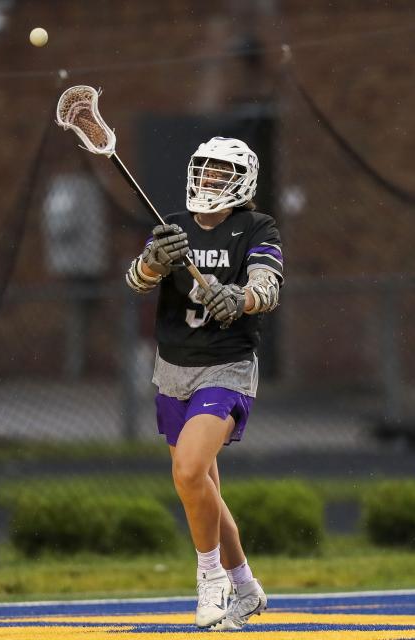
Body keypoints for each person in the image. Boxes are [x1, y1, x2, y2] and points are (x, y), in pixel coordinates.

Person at [124, 136, 283, 630]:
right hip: (173, 367)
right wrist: (155, 260)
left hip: (226, 366)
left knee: (190, 472)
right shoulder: (173, 228)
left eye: (222, 173)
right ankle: (247, 587)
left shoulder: (256, 226)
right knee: (203, 488)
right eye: (205, 170)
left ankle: (210, 577)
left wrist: (240, 299)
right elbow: (136, 280)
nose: (211, 180)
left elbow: (268, 286)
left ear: (242, 182)